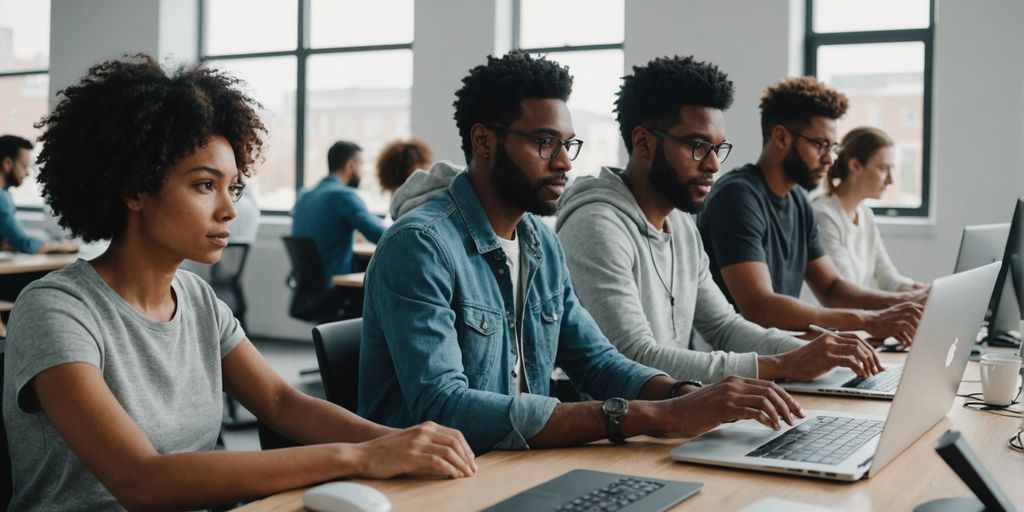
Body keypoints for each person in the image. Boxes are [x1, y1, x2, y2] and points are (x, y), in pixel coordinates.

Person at [3, 54, 475, 512]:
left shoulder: (197, 298)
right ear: (134, 189)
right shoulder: (55, 310)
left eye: (234, 187)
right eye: (205, 185)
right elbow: (140, 480)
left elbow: (281, 401)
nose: (229, 209)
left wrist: (401, 442)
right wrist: (361, 457)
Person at [359, 52, 803, 455]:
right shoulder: (420, 245)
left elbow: (596, 361)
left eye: (568, 145)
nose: (564, 163)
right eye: (544, 143)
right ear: (484, 141)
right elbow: (443, 407)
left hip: (511, 463)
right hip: (428, 481)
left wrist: (681, 395)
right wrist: (658, 415)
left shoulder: (538, 241)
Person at [555, 56, 882, 385]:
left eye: (717, 148)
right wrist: (782, 366)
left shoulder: (680, 222)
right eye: (697, 146)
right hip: (615, 428)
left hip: (676, 414)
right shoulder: (597, 225)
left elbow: (723, 326)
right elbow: (635, 356)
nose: (713, 164)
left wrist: (809, 351)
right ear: (644, 142)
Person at [696, 77, 926, 345]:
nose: (829, 158)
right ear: (780, 137)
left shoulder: (799, 201)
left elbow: (831, 289)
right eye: (820, 145)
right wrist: (869, 321)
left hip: (779, 352)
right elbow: (759, 306)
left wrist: (908, 302)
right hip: (735, 367)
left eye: (832, 147)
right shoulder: (737, 197)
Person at [813, 126, 926, 292]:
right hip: (831, 316)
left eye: (891, 169)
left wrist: (923, 291)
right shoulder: (824, 216)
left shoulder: (865, 214)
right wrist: (907, 300)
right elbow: (846, 291)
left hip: (856, 313)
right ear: (855, 166)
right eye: (883, 169)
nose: (890, 180)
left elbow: (887, 277)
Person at [292, 140, 385, 286]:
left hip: (306, 290)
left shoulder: (304, 195)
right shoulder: (344, 197)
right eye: (361, 165)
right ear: (350, 166)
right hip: (334, 289)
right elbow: (381, 236)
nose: (363, 172)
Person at [0, 135, 77, 254]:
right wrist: (58, 247)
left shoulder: (5, 194)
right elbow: (24, 243)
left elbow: (11, 240)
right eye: (24, 166)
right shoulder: (1, 197)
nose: (27, 173)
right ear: (7, 163)